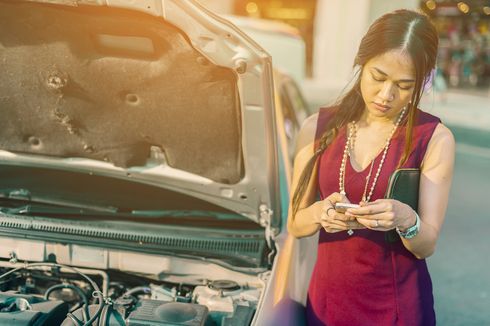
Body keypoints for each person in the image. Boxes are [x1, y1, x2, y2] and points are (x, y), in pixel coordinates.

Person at [287, 9, 455, 325]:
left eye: (404, 85)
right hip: (328, 306)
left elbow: (425, 245)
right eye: (378, 77)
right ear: (361, 62)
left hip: (398, 308)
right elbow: (296, 224)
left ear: (424, 80)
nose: (386, 95)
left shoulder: (434, 138)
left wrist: (407, 219)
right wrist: (321, 213)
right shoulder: (317, 128)